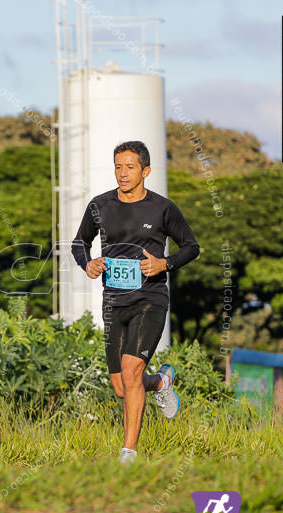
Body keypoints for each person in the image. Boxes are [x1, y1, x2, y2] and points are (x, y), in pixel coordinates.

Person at [72, 140, 199, 464]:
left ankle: (128, 453)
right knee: (121, 386)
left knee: (131, 371)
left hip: (150, 299)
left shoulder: (163, 208)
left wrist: (163, 264)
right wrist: (88, 263)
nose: (123, 173)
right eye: (118, 166)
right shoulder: (100, 206)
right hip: (114, 301)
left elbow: (190, 246)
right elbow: (79, 242)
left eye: (130, 167)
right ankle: (160, 381)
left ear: (146, 170)